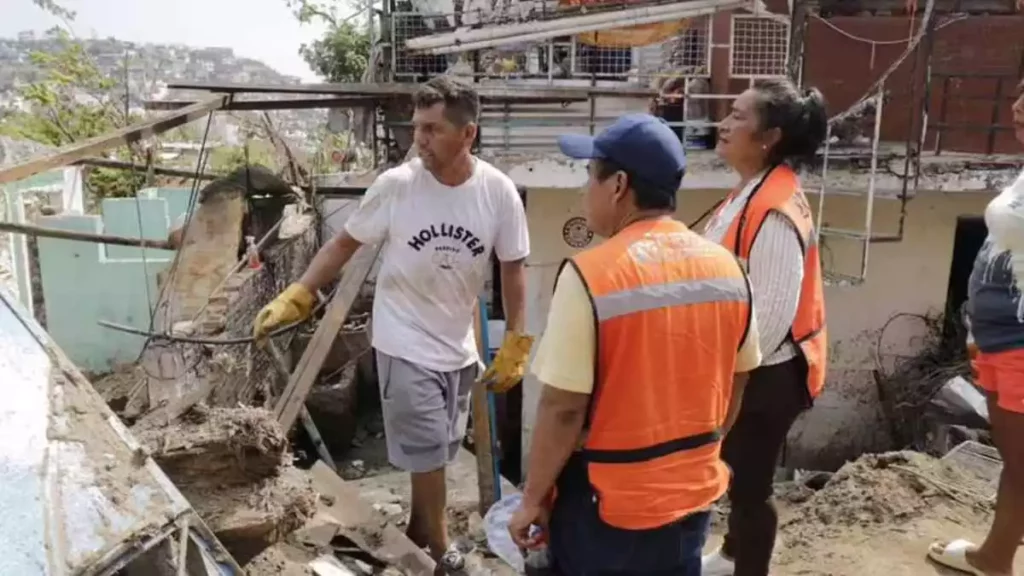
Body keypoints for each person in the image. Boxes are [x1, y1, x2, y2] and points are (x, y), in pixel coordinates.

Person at [252, 76, 533, 575]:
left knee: (441, 452)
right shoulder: (398, 185)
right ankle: (442, 552)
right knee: (427, 452)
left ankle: (417, 535)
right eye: (416, 127)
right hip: (403, 338)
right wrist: (301, 293)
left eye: (432, 129)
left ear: (467, 134)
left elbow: (513, 266)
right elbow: (345, 244)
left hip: (458, 344)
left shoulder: (498, 192)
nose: (418, 140)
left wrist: (516, 337)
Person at [507, 113, 763, 576]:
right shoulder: (729, 270)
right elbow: (739, 378)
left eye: (590, 175)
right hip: (691, 496)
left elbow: (563, 408)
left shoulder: (592, 275)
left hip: (606, 505)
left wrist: (532, 499)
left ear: (619, 184)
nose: (585, 189)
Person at [700, 78, 829, 576]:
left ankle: (750, 568)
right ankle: (734, 555)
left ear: (769, 136)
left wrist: (727, 377)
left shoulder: (773, 209)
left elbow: (772, 318)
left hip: (767, 371)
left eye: (737, 116)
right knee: (737, 473)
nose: (724, 124)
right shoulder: (751, 189)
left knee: (751, 484)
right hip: (749, 365)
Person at [927, 78, 1024, 576]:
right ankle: (996, 556)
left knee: (1021, 462)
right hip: (998, 337)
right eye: (1022, 92)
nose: (1020, 106)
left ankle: (995, 560)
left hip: (1020, 341)